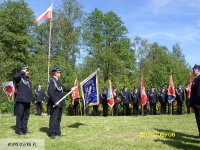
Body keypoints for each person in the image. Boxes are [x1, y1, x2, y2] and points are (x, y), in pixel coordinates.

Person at [48, 67, 74, 139]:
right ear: (55, 73)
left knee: (58, 118)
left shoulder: (58, 81)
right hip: (55, 103)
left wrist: (71, 89)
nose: (60, 73)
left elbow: (63, 87)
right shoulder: (52, 81)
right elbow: (50, 92)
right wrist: (55, 101)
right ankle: (52, 133)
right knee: (54, 118)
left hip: (60, 103)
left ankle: (57, 132)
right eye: (59, 72)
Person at [13, 66, 32, 135]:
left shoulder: (28, 79)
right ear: (23, 71)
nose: (28, 72)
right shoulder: (19, 79)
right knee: (20, 115)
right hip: (21, 100)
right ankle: (19, 129)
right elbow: (15, 76)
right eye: (26, 71)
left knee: (26, 116)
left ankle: (24, 129)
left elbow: (29, 90)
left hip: (27, 100)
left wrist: (30, 100)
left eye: (27, 71)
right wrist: (22, 72)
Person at [190, 64, 200, 138]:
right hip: (196, 103)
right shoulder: (196, 78)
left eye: (194, 69)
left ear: (198, 70)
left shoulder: (199, 78)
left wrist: (198, 103)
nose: (193, 70)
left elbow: (199, 92)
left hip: (198, 104)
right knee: (198, 119)